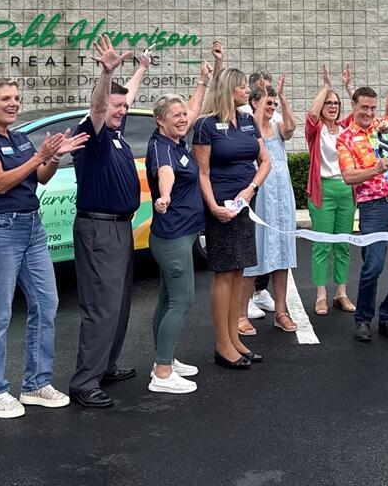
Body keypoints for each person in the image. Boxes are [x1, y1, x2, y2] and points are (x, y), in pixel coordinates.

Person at [0, 78, 88, 419]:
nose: (13, 103)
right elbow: (0, 183)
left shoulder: (19, 138)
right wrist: (39, 157)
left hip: (31, 227)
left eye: (17, 98)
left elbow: (42, 177)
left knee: (46, 303)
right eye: (5, 98)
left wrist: (54, 158)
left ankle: (36, 384)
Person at [68, 36, 152, 409]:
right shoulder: (93, 134)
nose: (122, 110)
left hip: (120, 227)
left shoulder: (117, 133)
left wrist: (140, 71)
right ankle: (85, 382)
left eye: (124, 106)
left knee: (118, 304)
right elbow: (101, 106)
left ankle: (106, 366)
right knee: (101, 305)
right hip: (98, 229)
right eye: (116, 106)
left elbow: (123, 97)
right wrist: (107, 73)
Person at [192, 67, 271, 369]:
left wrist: (251, 189)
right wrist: (213, 206)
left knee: (239, 270)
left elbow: (264, 161)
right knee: (224, 273)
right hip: (222, 207)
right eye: (241, 87)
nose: (246, 92)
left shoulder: (249, 121)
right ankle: (222, 344)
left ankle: (235, 339)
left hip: (244, 205)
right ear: (227, 90)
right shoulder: (206, 125)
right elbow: (203, 172)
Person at [337, 82, 388, 343]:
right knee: (372, 266)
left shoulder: (381, 124)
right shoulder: (345, 138)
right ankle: (363, 320)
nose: (369, 112)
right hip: (373, 207)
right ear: (354, 106)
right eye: (364, 107)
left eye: (373, 108)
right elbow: (348, 176)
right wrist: (376, 169)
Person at [145, 66, 211, 395]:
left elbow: (195, 109)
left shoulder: (177, 139)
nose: (183, 118)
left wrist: (202, 80)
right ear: (160, 120)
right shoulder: (161, 147)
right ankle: (162, 372)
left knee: (167, 299)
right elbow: (166, 173)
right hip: (171, 235)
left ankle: (166, 357)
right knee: (182, 301)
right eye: (175, 115)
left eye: (183, 114)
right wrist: (166, 195)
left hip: (181, 233)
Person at [241, 82, 299, 335]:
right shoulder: (247, 126)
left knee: (283, 254)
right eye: (267, 102)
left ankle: (281, 312)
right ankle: (241, 314)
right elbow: (253, 134)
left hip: (282, 199)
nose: (272, 107)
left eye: (273, 103)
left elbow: (291, 128)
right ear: (254, 103)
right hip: (260, 197)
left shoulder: (277, 125)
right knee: (254, 252)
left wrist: (283, 99)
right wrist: (261, 104)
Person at [304, 65, 356, 316]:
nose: (333, 107)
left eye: (335, 103)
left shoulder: (346, 128)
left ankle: (341, 293)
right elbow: (311, 115)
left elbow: (360, 110)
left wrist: (347, 87)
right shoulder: (316, 131)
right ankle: (321, 295)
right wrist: (325, 86)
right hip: (322, 190)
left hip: (346, 190)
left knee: (343, 244)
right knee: (323, 244)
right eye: (328, 103)